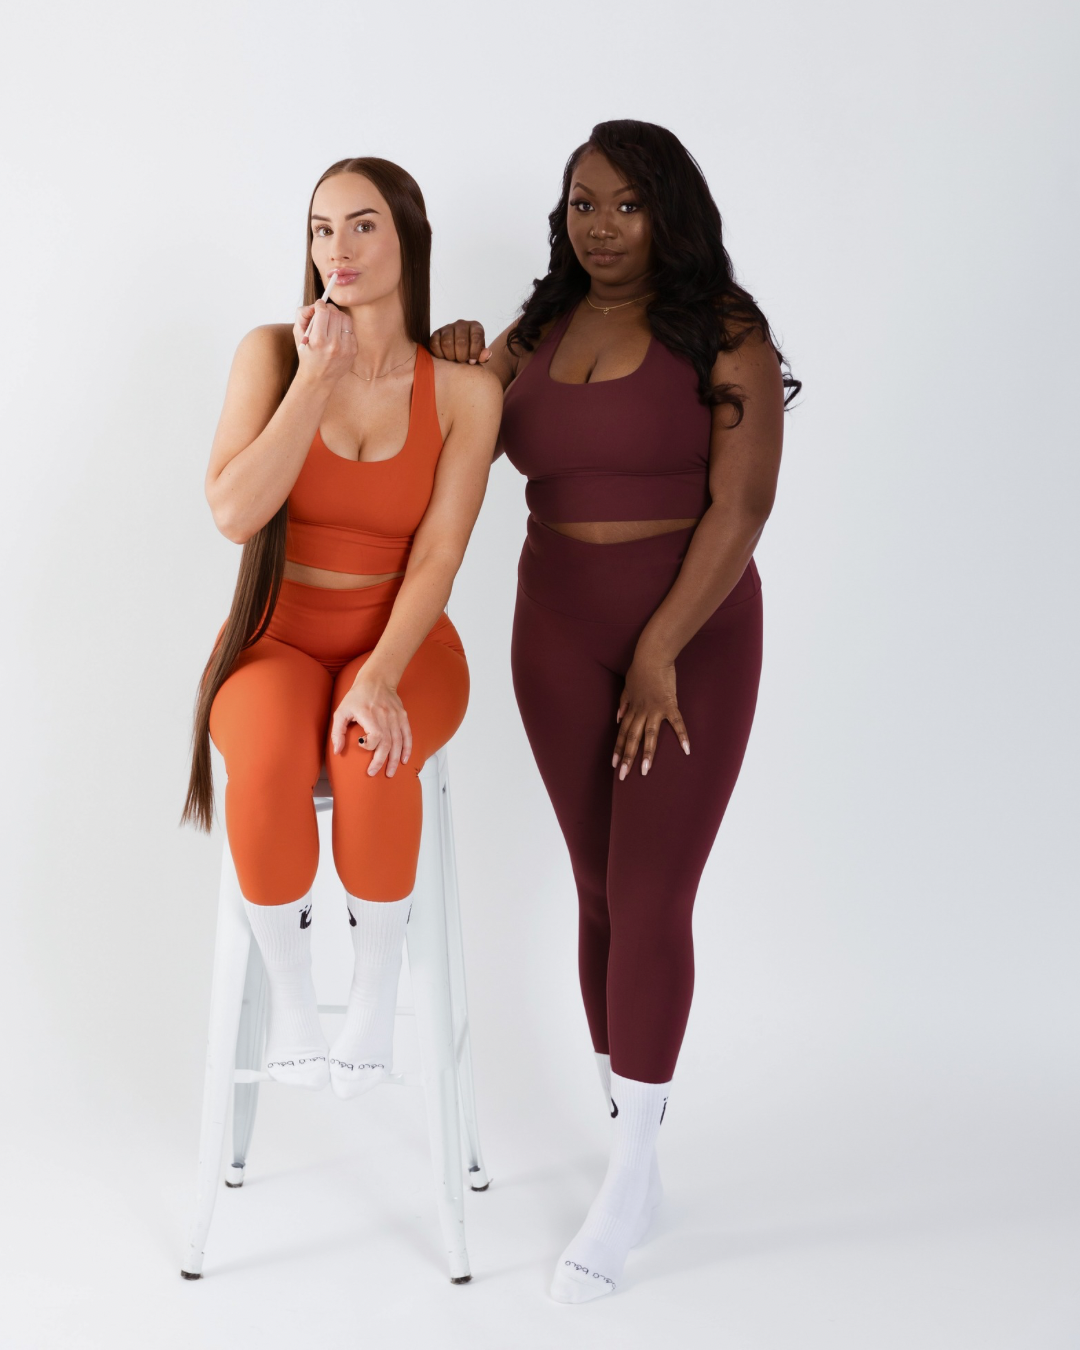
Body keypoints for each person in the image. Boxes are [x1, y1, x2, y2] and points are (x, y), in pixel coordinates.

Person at [431, 119, 798, 1302]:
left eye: (626, 206)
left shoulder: (726, 333)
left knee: (650, 895)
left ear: (668, 212)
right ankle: (633, 1140)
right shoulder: (539, 329)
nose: (600, 227)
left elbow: (742, 509)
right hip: (554, 634)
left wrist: (659, 651)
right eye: (583, 203)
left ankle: (629, 1171)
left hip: (690, 640)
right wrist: (453, 361)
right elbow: (442, 436)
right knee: (597, 887)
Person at [183, 157, 501, 1101]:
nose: (338, 249)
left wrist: (380, 673)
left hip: (406, 642)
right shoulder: (271, 355)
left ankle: (376, 980)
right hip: (274, 638)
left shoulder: (464, 391)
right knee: (268, 753)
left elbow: (440, 554)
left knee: (372, 751)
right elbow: (234, 513)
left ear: (409, 238)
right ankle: (291, 996)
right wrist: (314, 381)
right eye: (322, 229)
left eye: (363, 225)